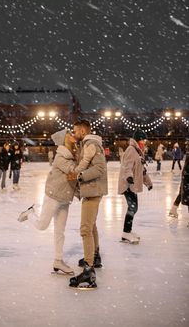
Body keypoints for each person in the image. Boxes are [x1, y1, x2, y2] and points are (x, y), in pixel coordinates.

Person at [18, 129, 77, 274]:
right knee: (42, 226)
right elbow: (74, 171)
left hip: (65, 197)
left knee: (60, 231)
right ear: (63, 139)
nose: (72, 135)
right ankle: (29, 213)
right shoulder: (61, 157)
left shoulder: (72, 153)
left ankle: (58, 261)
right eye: (69, 134)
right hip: (54, 195)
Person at [67, 119, 108, 289]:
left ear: (83, 131)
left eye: (75, 131)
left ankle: (89, 270)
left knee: (85, 229)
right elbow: (84, 161)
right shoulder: (88, 144)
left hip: (92, 190)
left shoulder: (92, 144)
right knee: (91, 227)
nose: (73, 134)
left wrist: (79, 176)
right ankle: (94, 256)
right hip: (91, 190)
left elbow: (99, 168)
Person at [118, 129, 153, 244]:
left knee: (134, 207)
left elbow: (141, 170)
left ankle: (128, 231)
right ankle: (126, 232)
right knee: (132, 207)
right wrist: (128, 176)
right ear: (137, 140)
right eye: (142, 140)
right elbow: (127, 166)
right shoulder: (131, 150)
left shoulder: (138, 151)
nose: (144, 142)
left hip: (132, 185)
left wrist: (148, 183)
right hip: (127, 184)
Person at [169, 152, 189, 223]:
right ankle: (173, 210)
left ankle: (173, 209)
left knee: (182, 193)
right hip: (186, 179)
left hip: (185, 179)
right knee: (185, 195)